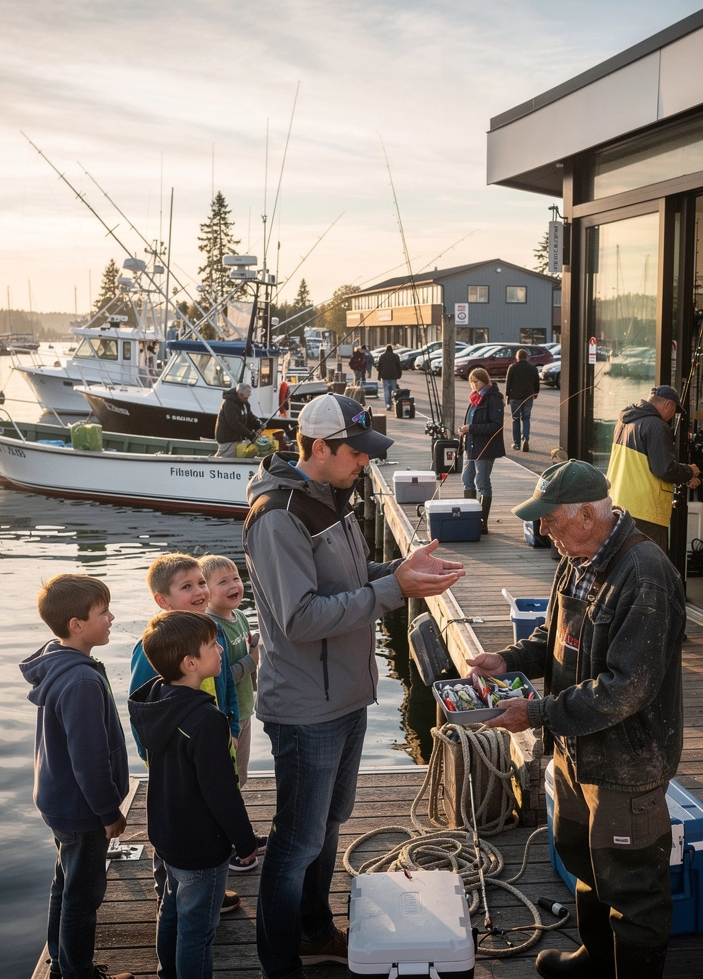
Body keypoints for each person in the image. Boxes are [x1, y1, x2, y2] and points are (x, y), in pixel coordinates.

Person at [243, 392, 465, 979]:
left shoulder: (331, 497)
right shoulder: (278, 516)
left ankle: (315, 934)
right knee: (294, 846)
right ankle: (279, 962)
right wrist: (395, 591)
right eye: (356, 452)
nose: (364, 462)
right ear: (319, 448)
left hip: (343, 696)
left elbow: (348, 579)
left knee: (326, 827)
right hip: (306, 709)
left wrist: (401, 572)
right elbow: (301, 618)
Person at [467, 460, 685, 979]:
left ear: (588, 514)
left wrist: (537, 712)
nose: (543, 530)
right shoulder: (576, 556)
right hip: (573, 750)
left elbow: (625, 688)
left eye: (551, 519)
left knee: (632, 886)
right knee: (584, 860)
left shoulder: (646, 575)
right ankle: (595, 956)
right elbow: (555, 639)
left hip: (626, 764)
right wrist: (510, 660)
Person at [129, 611, 260, 979]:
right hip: (202, 847)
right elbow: (222, 793)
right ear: (190, 663)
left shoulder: (155, 701)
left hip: (168, 835)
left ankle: (166, 972)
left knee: (171, 909)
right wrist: (245, 841)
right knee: (197, 931)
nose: (220, 649)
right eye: (211, 645)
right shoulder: (205, 721)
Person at [19, 574, 133, 979]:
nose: (111, 617)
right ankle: (78, 973)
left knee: (64, 886)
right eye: (103, 613)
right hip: (83, 808)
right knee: (83, 896)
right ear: (76, 625)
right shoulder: (81, 679)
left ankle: (62, 965)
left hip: (58, 799)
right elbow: (88, 758)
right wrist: (108, 812)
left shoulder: (57, 660)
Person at [129, 554, 247, 911]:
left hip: (212, 737)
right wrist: (152, 751)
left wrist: (234, 727)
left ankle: (204, 884)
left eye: (201, 583)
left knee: (212, 807)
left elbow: (226, 687)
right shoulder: (156, 646)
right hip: (174, 749)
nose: (200, 591)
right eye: (187, 587)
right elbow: (143, 707)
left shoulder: (211, 638)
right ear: (162, 601)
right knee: (179, 818)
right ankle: (169, 885)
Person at [605, 383, 700, 551]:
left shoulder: (624, 421)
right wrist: (689, 471)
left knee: (624, 560)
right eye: (674, 411)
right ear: (668, 405)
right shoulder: (657, 425)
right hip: (646, 512)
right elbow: (664, 469)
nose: (672, 416)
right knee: (651, 564)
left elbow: (643, 465)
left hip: (619, 504)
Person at [201, 555, 260, 799]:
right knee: (226, 775)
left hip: (245, 708)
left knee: (240, 775)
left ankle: (232, 821)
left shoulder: (242, 618)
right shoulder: (211, 627)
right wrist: (253, 660)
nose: (234, 585)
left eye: (236, 578)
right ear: (206, 592)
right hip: (227, 713)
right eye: (222, 582)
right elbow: (221, 677)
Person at [459, 366, 505, 534]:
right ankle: (470, 518)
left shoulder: (494, 398)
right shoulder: (475, 398)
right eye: (471, 383)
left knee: (482, 484)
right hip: (470, 447)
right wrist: (464, 430)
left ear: (484, 380)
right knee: (467, 479)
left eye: (476, 382)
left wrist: (471, 428)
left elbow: (496, 425)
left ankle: (481, 522)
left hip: (485, 448)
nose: (473, 385)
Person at [505, 347, 540, 452]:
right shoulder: (533, 368)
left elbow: (508, 382)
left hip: (515, 397)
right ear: (527, 357)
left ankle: (517, 444)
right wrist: (536, 393)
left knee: (515, 419)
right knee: (526, 418)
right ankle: (525, 438)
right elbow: (536, 382)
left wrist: (507, 395)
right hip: (528, 396)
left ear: (517, 357)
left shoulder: (512, 367)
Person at [215, 383, 263, 459]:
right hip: (228, 439)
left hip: (237, 439)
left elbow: (250, 416)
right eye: (246, 397)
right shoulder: (229, 404)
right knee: (224, 459)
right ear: (240, 394)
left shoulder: (243, 403)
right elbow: (235, 423)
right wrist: (250, 435)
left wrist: (259, 424)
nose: (247, 399)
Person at [376, 344, 403, 410]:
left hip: (385, 376)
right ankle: (394, 403)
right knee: (393, 390)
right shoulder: (396, 356)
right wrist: (399, 374)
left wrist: (379, 376)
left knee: (386, 390)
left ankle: (388, 404)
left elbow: (379, 367)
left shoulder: (382, 356)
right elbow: (399, 366)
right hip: (393, 376)